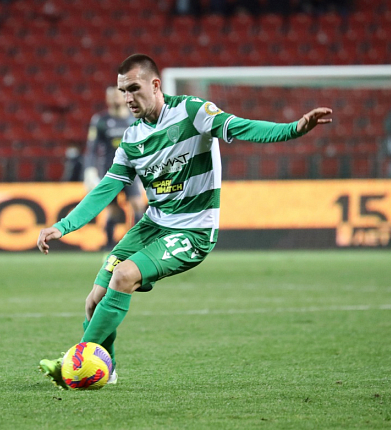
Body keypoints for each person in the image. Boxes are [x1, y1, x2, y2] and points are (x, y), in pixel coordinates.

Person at [36, 54, 332, 388]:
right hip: (153, 225)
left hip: (193, 230)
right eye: (123, 91)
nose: (127, 98)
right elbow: (106, 188)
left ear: (155, 85)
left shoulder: (193, 112)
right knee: (94, 300)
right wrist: (63, 226)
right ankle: (107, 369)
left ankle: (73, 363)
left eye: (133, 88)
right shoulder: (132, 138)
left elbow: (241, 126)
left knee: (123, 275)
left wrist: (294, 129)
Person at [84, 86, 146, 250]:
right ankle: (109, 244)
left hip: (131, 171)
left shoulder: (135, 119)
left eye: (117, 95)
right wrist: (89, 170)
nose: (114, 99)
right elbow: (92, 148)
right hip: (109, 171)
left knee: (137, 204)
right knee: (112, 210)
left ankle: (136, 243)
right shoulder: (101, 120)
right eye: (111, 96)